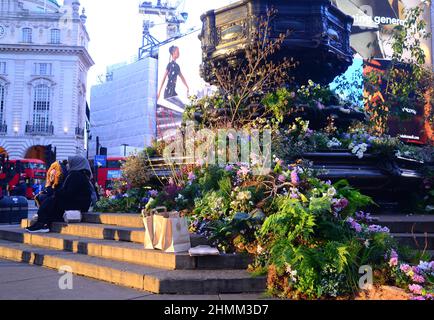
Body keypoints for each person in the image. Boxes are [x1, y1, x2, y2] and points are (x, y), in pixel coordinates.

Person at [26, 156, 94, 234]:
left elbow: (69, 192)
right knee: (50, 200)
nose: (68, 165)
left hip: (77, 204)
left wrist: (56, 194)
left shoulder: (76, 175)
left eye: (69, 163)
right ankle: (41, 223)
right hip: (78, 203)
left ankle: (43, 224)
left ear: (75, 163)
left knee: (50, 201)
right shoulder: (81, 174)